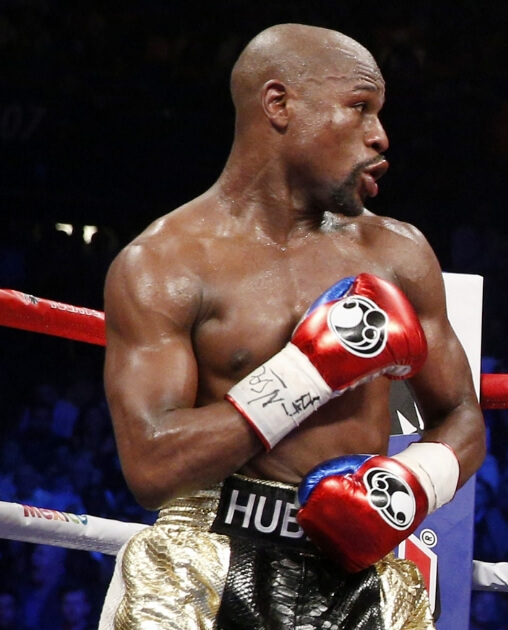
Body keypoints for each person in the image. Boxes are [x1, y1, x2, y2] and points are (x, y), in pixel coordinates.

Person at [99, 23, 485, 629]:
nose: (379, 136)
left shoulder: (398, 253)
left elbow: (461, 414)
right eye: (359, 108)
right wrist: (307, 374)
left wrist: (409, 482)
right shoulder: (164, 265)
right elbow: (151, 467)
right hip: (205, 562)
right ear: (279, 105)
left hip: (362, 570)